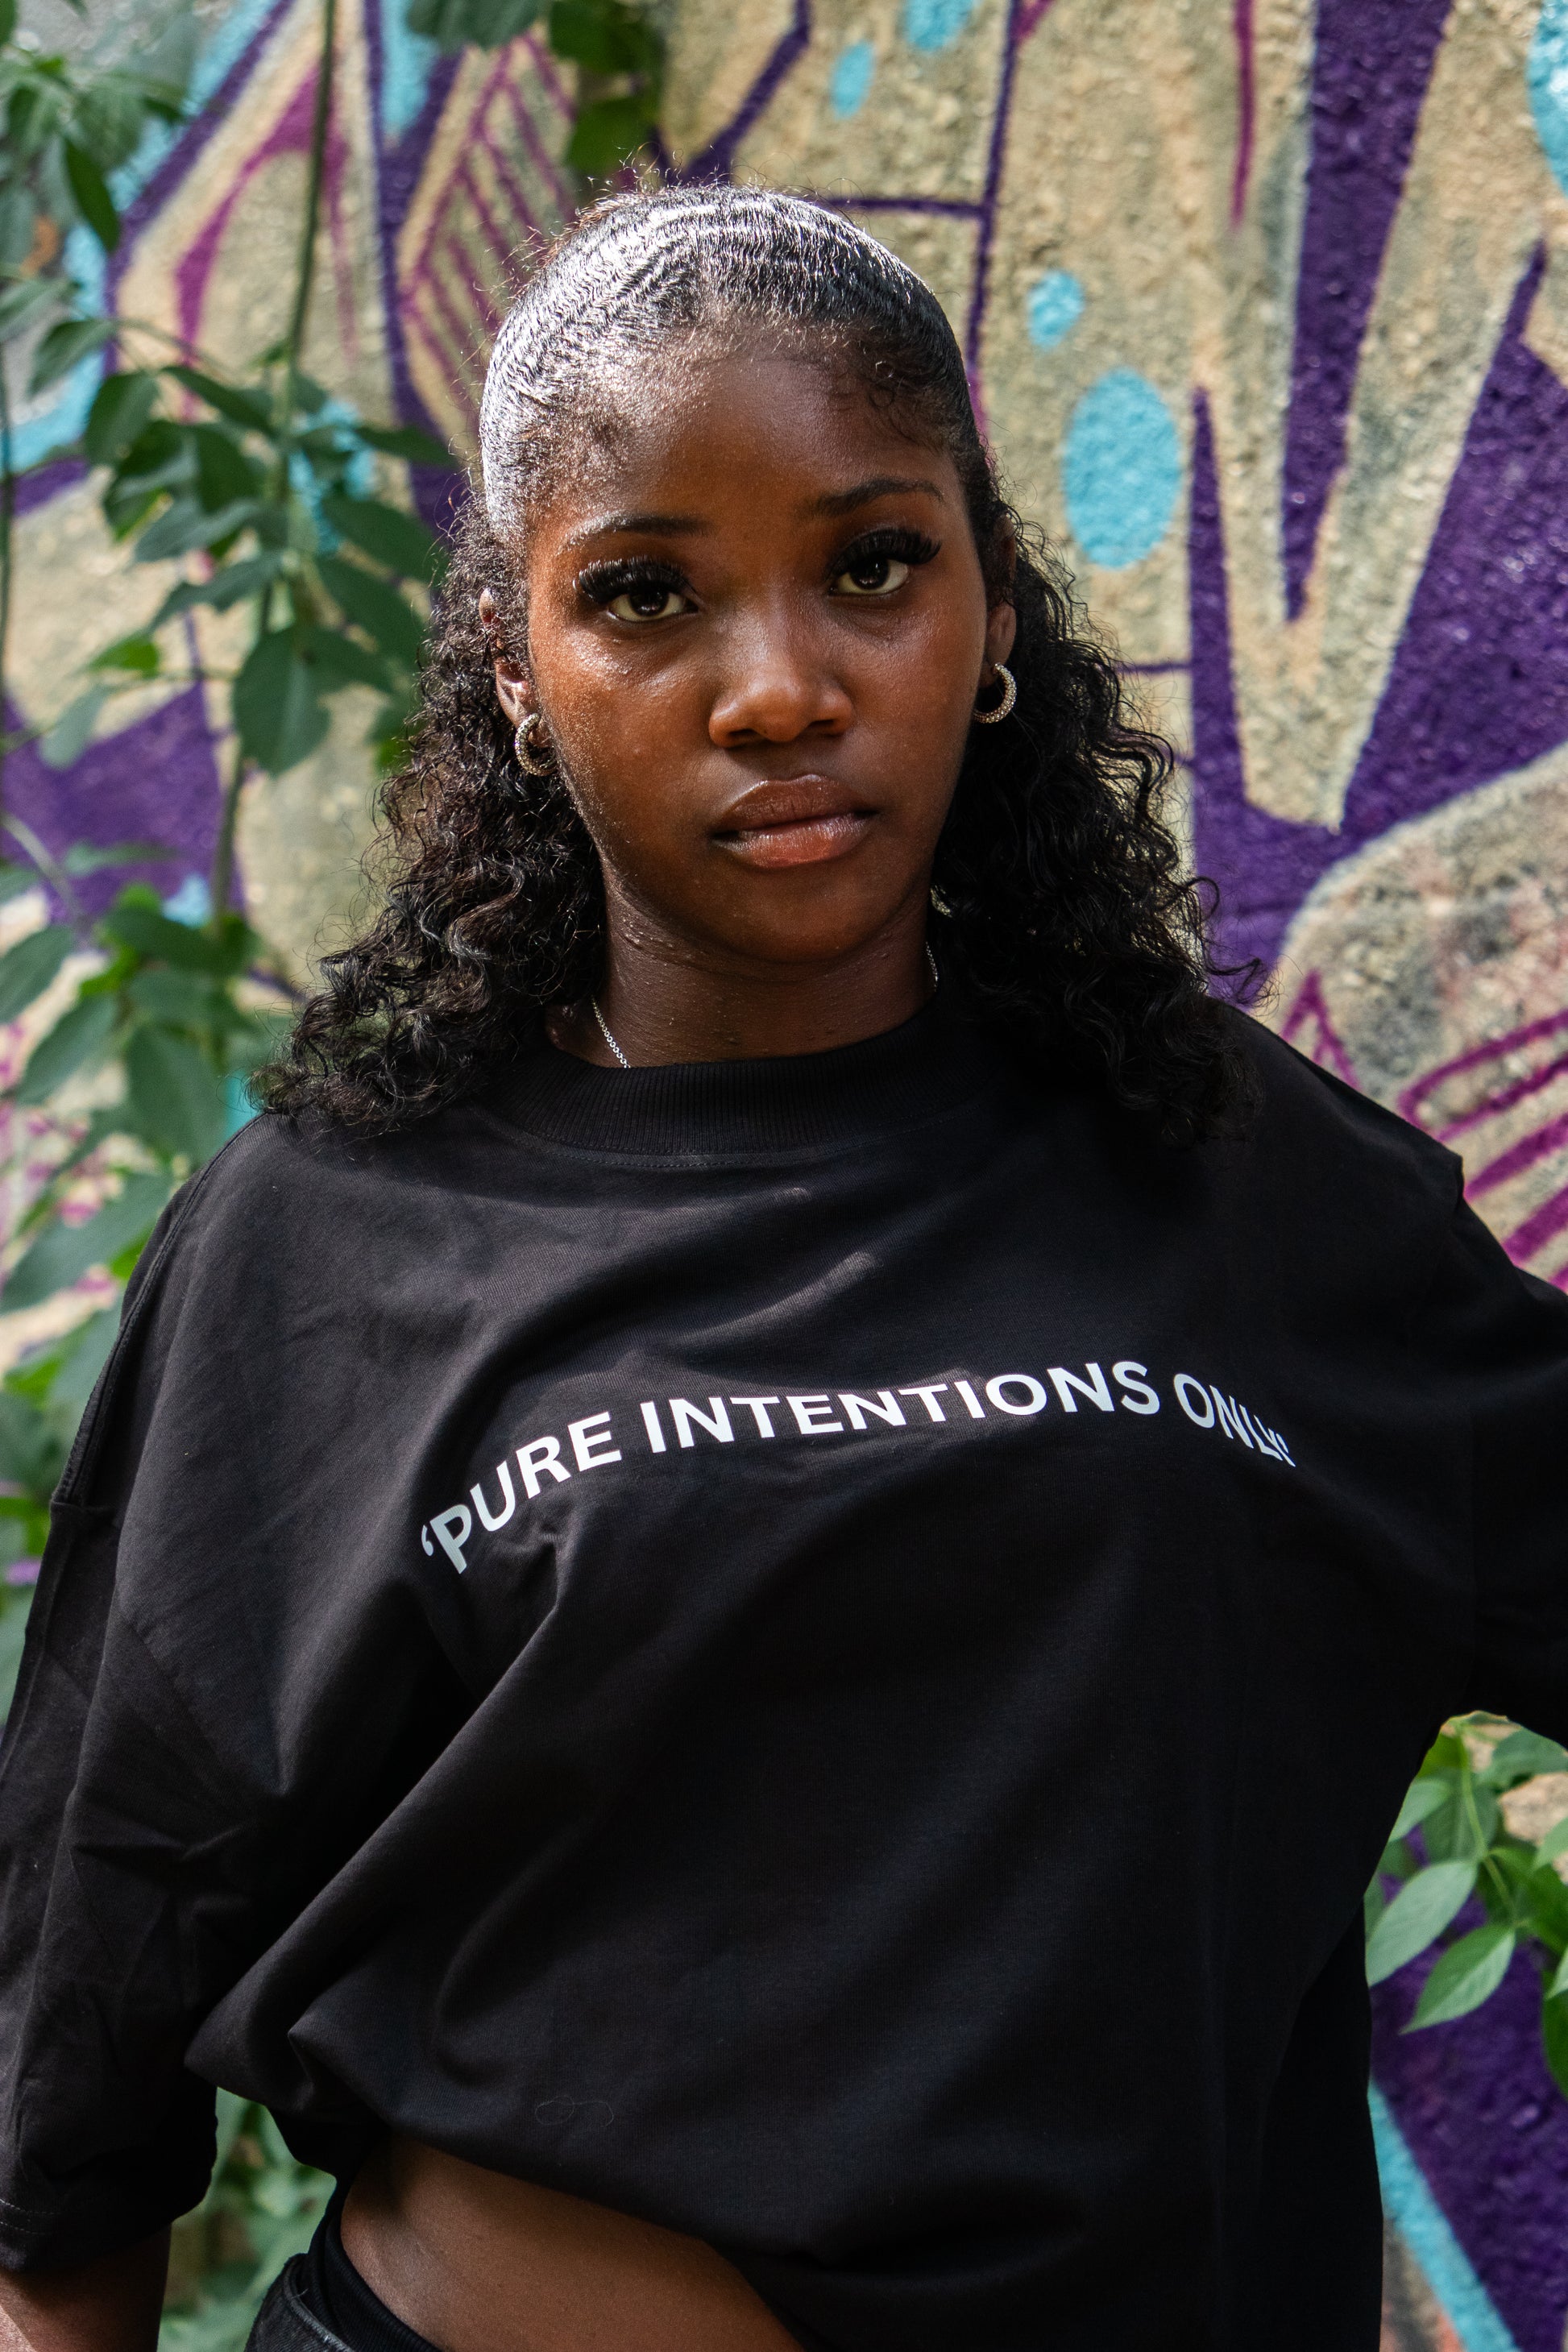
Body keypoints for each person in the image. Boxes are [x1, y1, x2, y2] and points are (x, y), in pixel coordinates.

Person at [0, 185, 1564, 2352]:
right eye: (645, 595)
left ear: (987, 605)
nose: (779, 689)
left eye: (873, 565)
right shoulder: (331, 1239)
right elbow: (85, 2004)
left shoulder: (1227, 1174)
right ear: (521, 671)